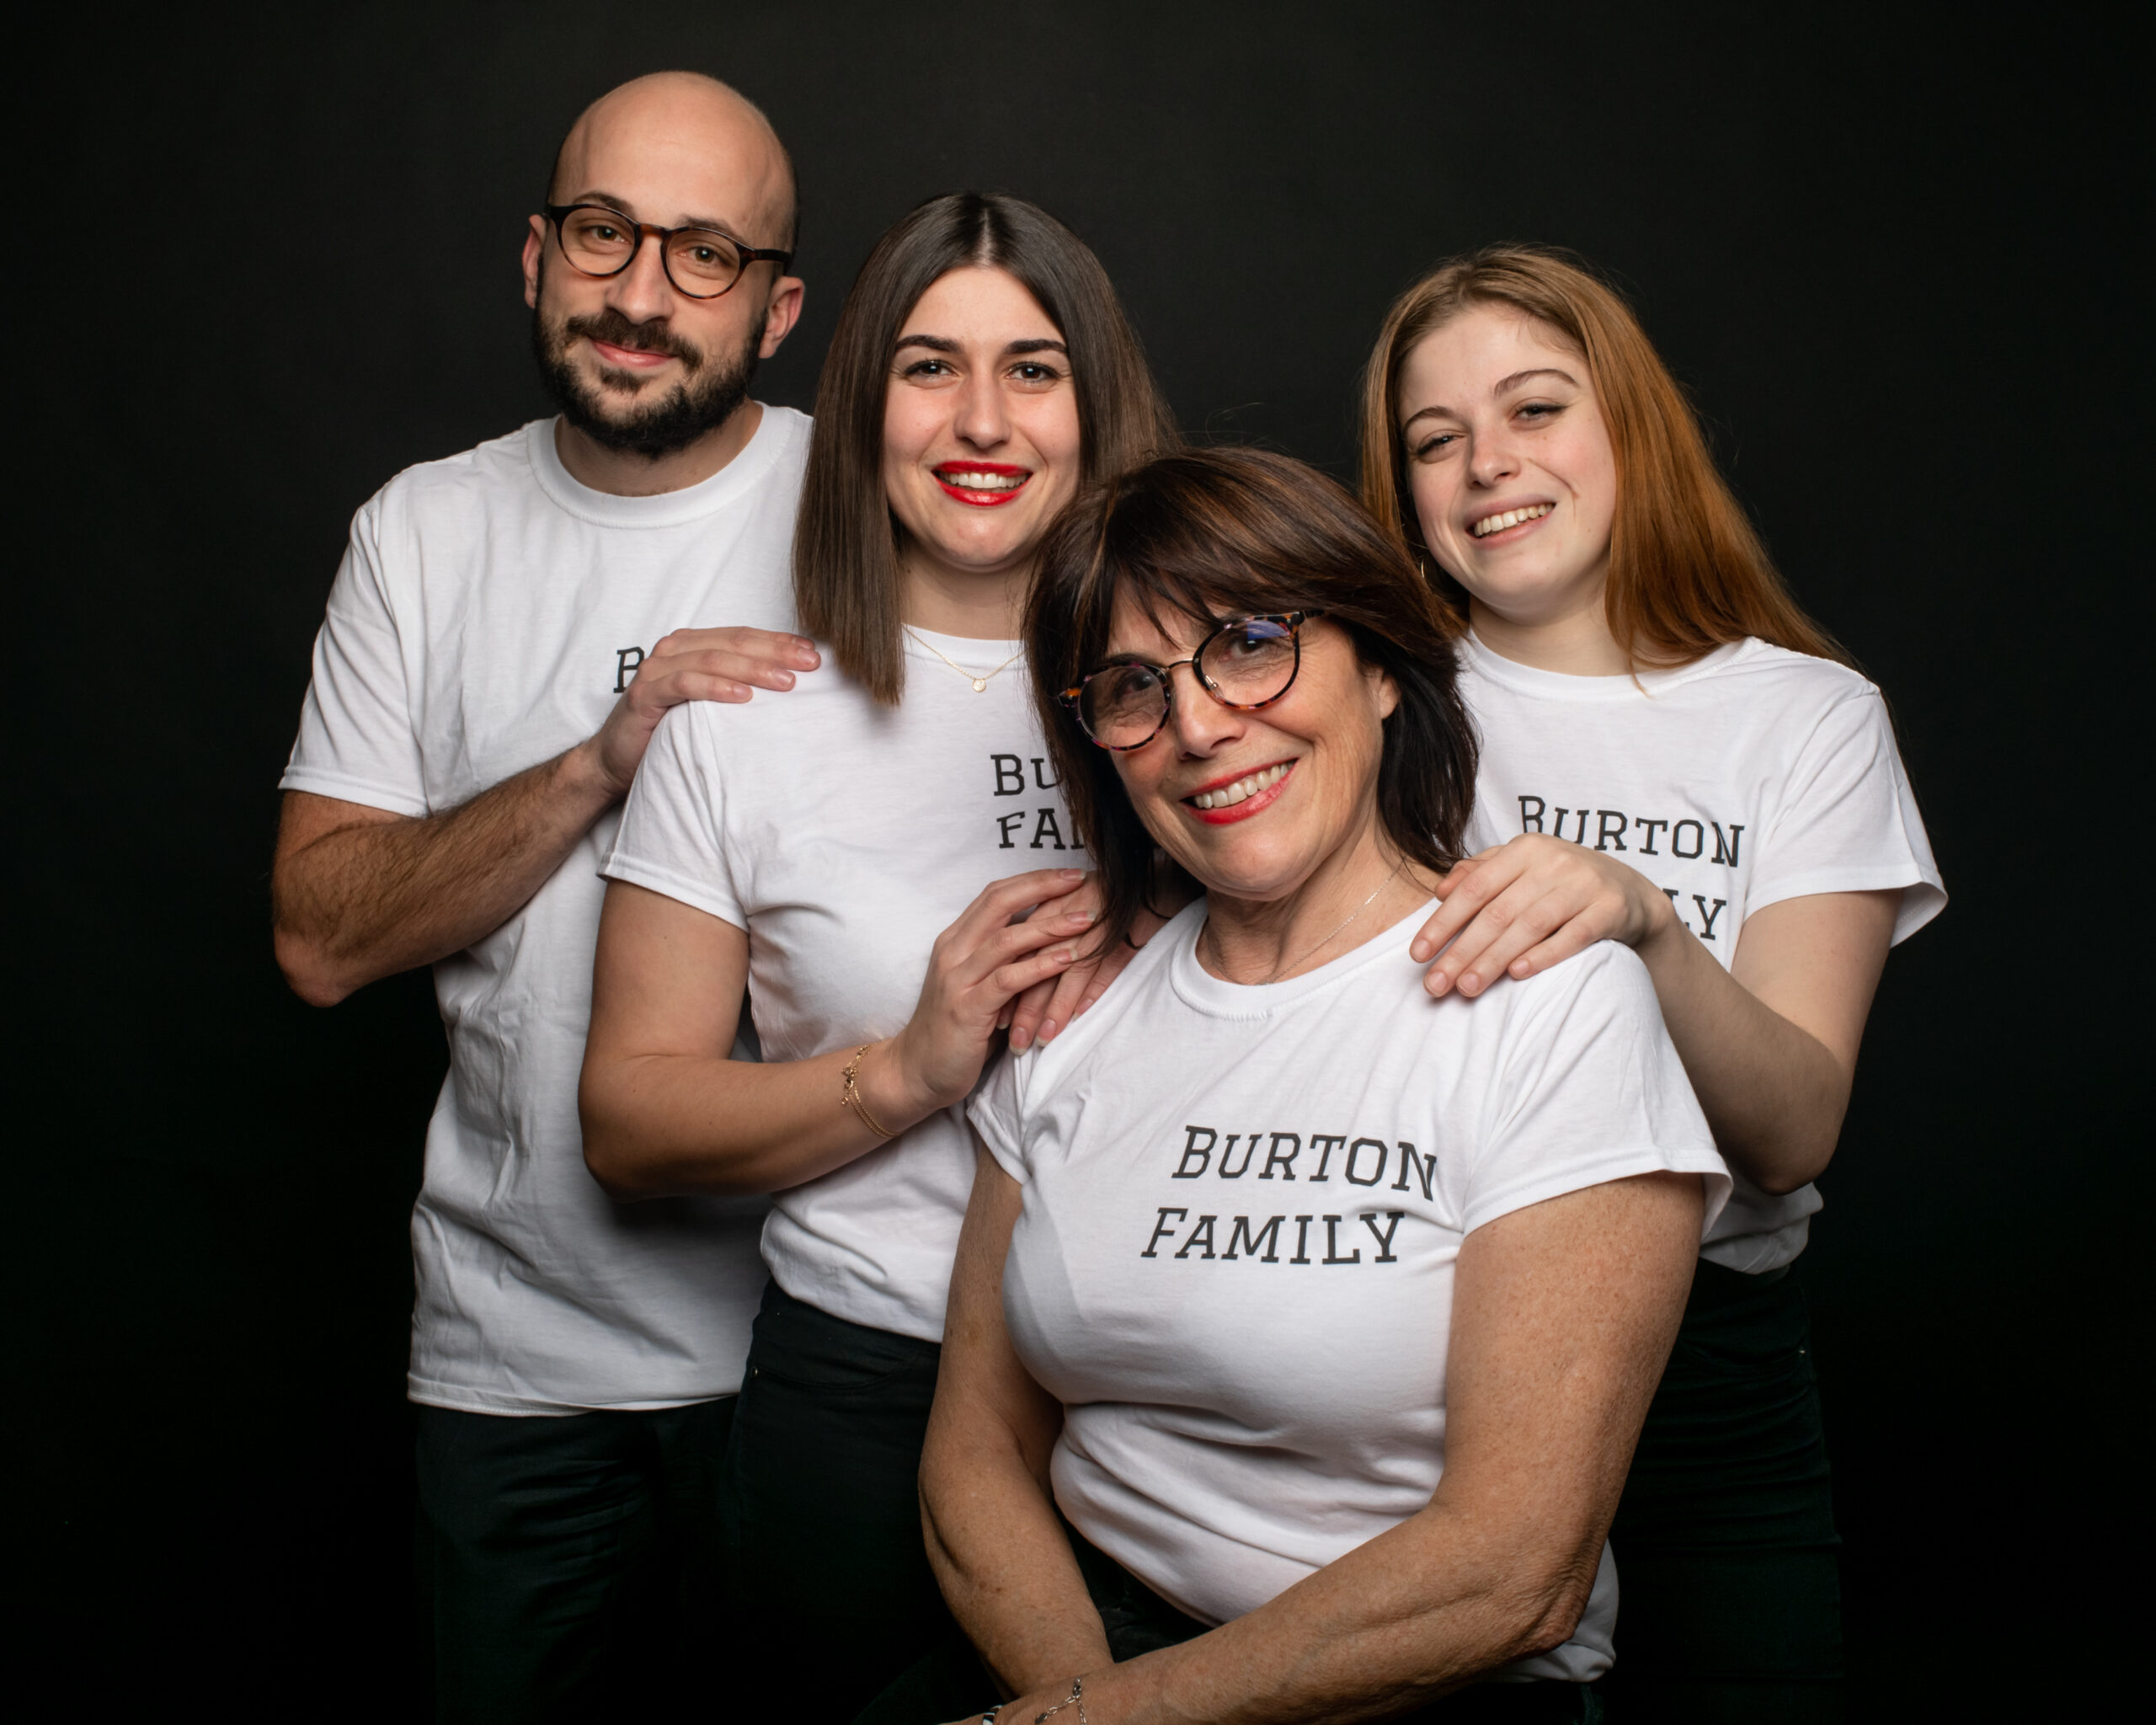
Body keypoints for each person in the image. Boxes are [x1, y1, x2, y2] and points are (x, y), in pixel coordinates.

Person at [899, 446, 1732, 1725]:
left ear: (1384, 666)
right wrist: (1077, 1696)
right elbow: (975, 1457)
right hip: (1077, 1650)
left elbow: (1516, 1571)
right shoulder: (1078, 1004)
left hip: (1418, 1683)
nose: (1196, 727)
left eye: (1249, 644)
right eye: (1134, 688)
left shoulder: (1554, 1006)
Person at [578, 192, 1178, 1716]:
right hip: (863, 1392)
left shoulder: (1217, 693)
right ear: (863, 405)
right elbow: (628, 1122)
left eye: (1034, 369)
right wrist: (909, 1066)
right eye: (930, 367)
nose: (982, 418)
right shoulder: (745, 726)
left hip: (1173, 1388)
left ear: (1097, 402)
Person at [270, 71, 814, 1719]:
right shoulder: (424, 534)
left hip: (825, 1350)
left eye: (702, 254)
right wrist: (604, 754)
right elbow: (319, 934)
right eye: (604, 234)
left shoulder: (873, 501)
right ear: (535, 255)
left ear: (779, 306)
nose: (641, 294)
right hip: (517, 1373)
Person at [1358, 244, 1945, 1722]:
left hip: (1712, 1379)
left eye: (1537, 409)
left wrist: (1644, 921)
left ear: (1629, 423)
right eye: (1437, 440)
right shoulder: (1364, 699)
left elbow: (1794, 1129)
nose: (1489, 465)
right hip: (1413, 1354)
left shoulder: (1806, 721)